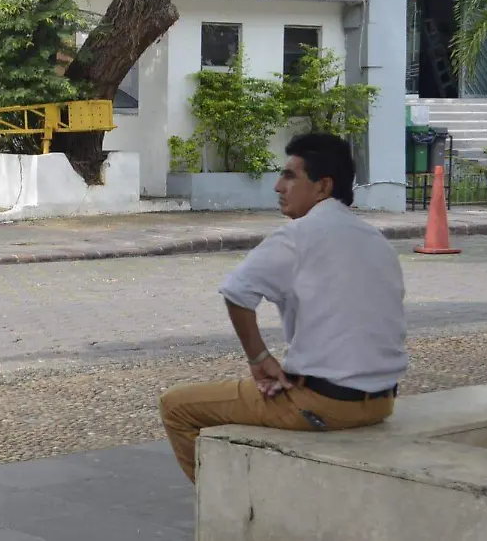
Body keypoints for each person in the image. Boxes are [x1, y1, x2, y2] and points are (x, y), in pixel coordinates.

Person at [158, 132, 407, 484]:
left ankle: (223, 509)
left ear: (323, 187)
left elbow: (237, 292)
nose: (278, 186)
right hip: (380, 402)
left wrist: (260, 360)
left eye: (290, 176)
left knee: (177, 406)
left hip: (324, 404)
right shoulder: (377, 241)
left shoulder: (299, 236)